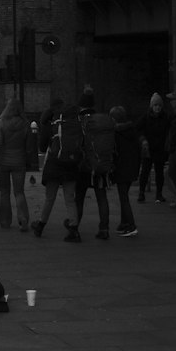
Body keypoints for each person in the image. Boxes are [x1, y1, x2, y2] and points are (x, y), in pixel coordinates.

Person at [32, 99, 81, 238]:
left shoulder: (51, 123)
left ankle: (41, 225)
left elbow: (42, 147)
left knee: (50, 197)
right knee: (70, 198)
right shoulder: (75, 123)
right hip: (71, 163)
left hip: (54, 163)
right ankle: (74, 229)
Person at [74, 86, 115, 240]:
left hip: (84, 165)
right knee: (101, 197)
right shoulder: (101, 120)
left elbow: (78, 143)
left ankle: (74, 226)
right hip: (100, 164)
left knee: (79, 198)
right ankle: (104, 228)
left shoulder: (80, 120)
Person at [0, 96, 34, 231]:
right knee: (19, 192)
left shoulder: (1, 123)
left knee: (4, 192)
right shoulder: (25, 124)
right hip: (19, 160)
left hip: (3, 161)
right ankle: (23, 218)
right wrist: (28, 161)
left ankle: (5, 221)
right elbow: (29, 147)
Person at [110, 105, 142, 236]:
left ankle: (131, 224)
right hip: (132, 167)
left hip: (122, 168)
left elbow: (115, 152)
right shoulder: (132, 131)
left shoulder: (116, 134)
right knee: (124, 195)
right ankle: (124, 223)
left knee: (123, 198)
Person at [137, 92, 170, 202]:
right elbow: (138, 129)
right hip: (149, 148)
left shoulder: (165, 117)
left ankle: (159, 194)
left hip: (160, 148)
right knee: (145, 171)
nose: (157, 108)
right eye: (155, 105)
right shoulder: (146, 117)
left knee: (159, 172)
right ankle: (141, 192)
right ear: (152, 106)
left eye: (159, 106)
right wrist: (143, 140)